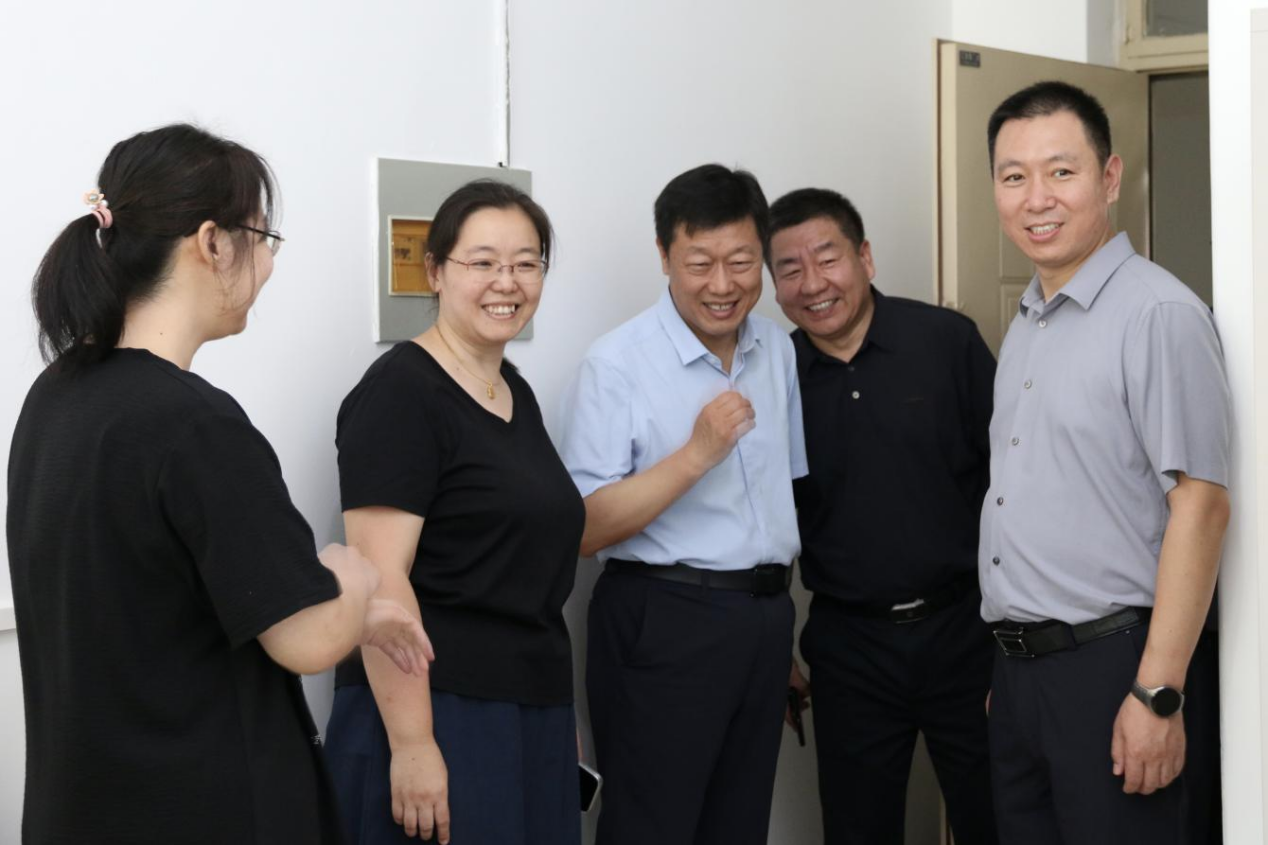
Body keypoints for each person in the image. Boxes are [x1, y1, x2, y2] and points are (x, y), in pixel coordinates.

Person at [6, 123, 433, 845]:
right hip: (200, 810)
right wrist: (353, 578)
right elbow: (308, 639)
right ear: (211, 243)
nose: (267, 265)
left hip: (84, 809)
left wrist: (350, 610)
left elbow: (158, 603)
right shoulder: (192, 424)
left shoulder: (56, 395)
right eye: (263, 239)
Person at [980, 81, 1230, 845]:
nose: (1037, 198)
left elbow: (1202, 506)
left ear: (1111, 177)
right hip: (1022, 674)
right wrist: (1014, 675)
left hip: (1116, 666)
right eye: (1014, 176)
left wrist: (1158, 692)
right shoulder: (1028, 320)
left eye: (1062, 171)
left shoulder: (1157, 314)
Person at [323, 180, 585, 845]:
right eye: (483, 262)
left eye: (526, 263)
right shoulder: (401, 393)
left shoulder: (511, 389)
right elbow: (380, 577)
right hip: (441, 710)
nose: (507, 282)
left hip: (528, 707)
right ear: (435, 271)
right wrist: (413, 744)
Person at [557, 163, 806, 845]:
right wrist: (696, 454)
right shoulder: (616, 363)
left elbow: (777, 504)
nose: (722, 285)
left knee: (739, 825)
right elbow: (583, 526)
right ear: (664, 256)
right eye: (700, 263)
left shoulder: (776, 349)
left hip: (762, 618)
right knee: (652, 826)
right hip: (663, 617)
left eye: (742, 262)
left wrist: (774, 631)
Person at [767, 187, 998, 845]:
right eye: (790, 269)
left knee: (997, 818)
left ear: (864, 258)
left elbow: (1016, 481)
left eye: (827, 258)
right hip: (849, 645)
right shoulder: (774, 375)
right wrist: (778, 648)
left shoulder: (945, 341)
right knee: (856, 828)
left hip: (968, 630)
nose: (813, 284)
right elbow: (765, 517)